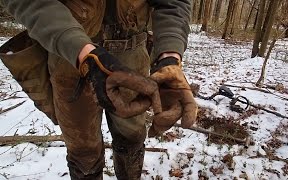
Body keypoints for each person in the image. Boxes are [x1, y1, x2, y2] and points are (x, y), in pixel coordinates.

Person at [0, 0, 198, 179]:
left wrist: (169, 56)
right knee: (83, 151)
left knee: (132, 137)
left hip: (133, 57)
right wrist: (84, 53)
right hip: (69, 58)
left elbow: (173, 2)